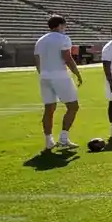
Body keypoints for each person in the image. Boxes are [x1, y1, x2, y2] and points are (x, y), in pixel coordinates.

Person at [34, 15, 82, 151]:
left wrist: (42, 73)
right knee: (73, 106)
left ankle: (49, 141)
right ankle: (63, 138)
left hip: (45, 77)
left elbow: (37, 59)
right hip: (60, 76)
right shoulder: (63, 38)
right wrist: (77, 73)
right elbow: (67, 58)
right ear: (60, 25)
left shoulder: (41, 40)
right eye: (64, 26)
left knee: (49, 109)